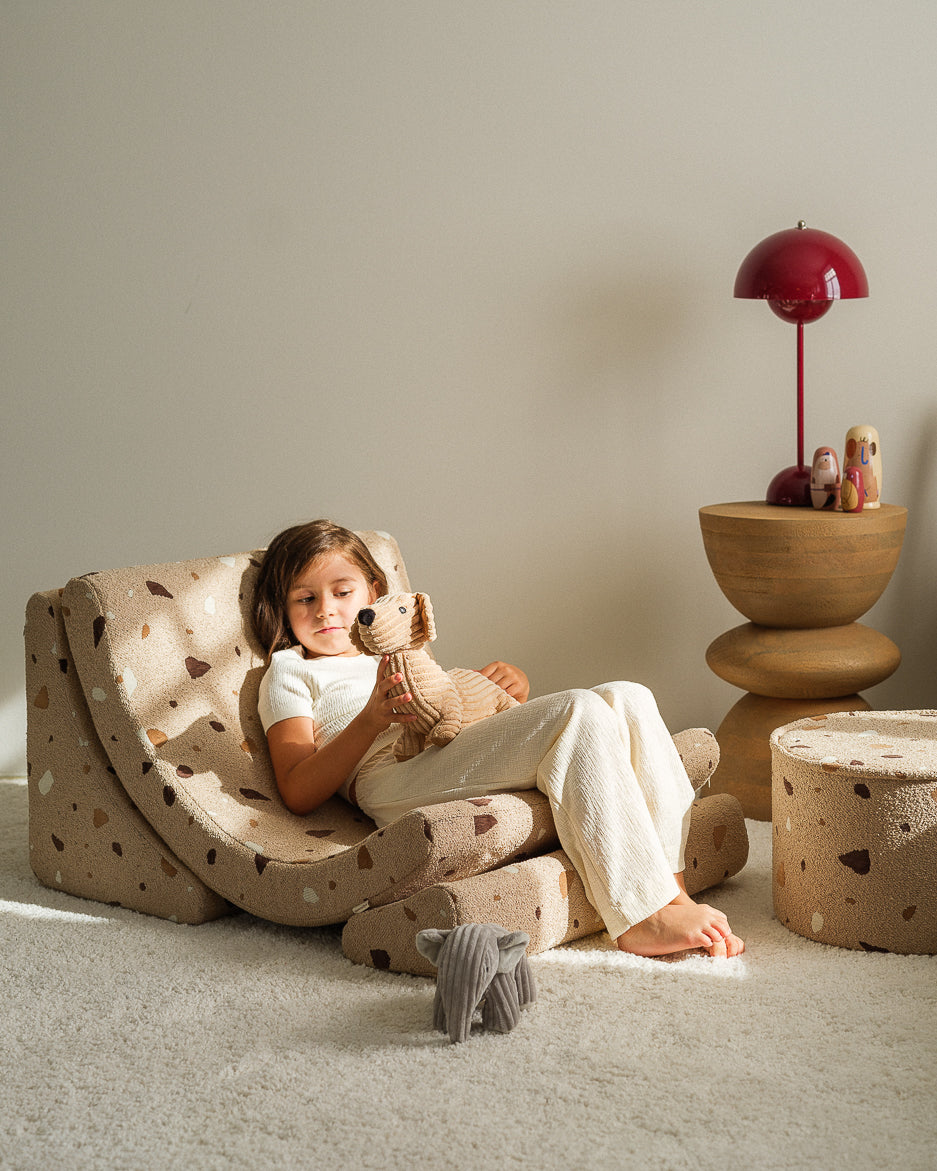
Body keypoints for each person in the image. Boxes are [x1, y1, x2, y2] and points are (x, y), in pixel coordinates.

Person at [252, 519, 744, 959]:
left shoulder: (395, 647)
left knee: (626, 695)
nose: (326, 611)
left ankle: (670, 888)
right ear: (283, 607)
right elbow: (297, 788)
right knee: (577, 709)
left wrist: (505, 692)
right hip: (390, 776)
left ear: (374, 592)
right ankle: (640, 915)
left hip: (445, 748)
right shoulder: (290, 670)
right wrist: (370, 720)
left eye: (342, 592)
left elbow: (446, 705)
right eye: (305, 598)